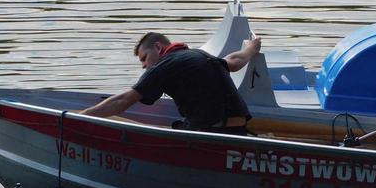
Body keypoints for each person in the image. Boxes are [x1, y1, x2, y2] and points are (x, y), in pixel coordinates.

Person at [81, 32, 262, 135]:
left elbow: (123, 101)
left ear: (158, 48)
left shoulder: (165, 65)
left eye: (144, 58)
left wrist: (81, 117)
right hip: (238, 129)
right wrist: (250, 49)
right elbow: (233, 61)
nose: (144, 66)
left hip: (213, 133)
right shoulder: (198, 55)